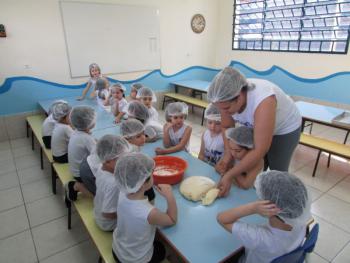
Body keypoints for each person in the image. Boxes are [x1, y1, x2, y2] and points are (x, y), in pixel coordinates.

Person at [208, 67, 302, 196]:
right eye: (220, 109)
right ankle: (258, 195)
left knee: (278, 171)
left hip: (284, 129)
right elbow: (226, 127)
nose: (224, 113)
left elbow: (260, 149)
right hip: (257, 125)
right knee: (255, 166)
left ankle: (279, 205)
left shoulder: (263, 100)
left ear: (240, 96)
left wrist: (230, 174)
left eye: (227, 108)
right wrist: (227, 156)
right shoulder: (227, 97)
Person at [217, 170, 311, 263]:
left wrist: (252, 208)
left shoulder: (261, 238)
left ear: (270, 208)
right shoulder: (301, 224)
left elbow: (222, 219)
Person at [112, 152, 177, 263]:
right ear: (143, 183)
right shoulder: (149, 212)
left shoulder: (122, 192)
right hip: (135, 259)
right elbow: (172, 219)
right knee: (169, 249)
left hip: (117, 249)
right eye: (151, 174)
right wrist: (170, 196)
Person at [94, 134, 131, 231]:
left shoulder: (100, 167)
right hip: (109, 223)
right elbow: (108, 214)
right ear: (107, 161)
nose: (125, 161)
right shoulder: (114, 184)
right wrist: (128, 213)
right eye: (121, 158)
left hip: (97, 213)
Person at [65, 106, 97, 202]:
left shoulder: (76, 132)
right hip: (81, 174)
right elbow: (98, 156)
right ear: (88, 123)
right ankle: (76, 186)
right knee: (99, 194)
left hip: (74, 168)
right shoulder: (86, 138)